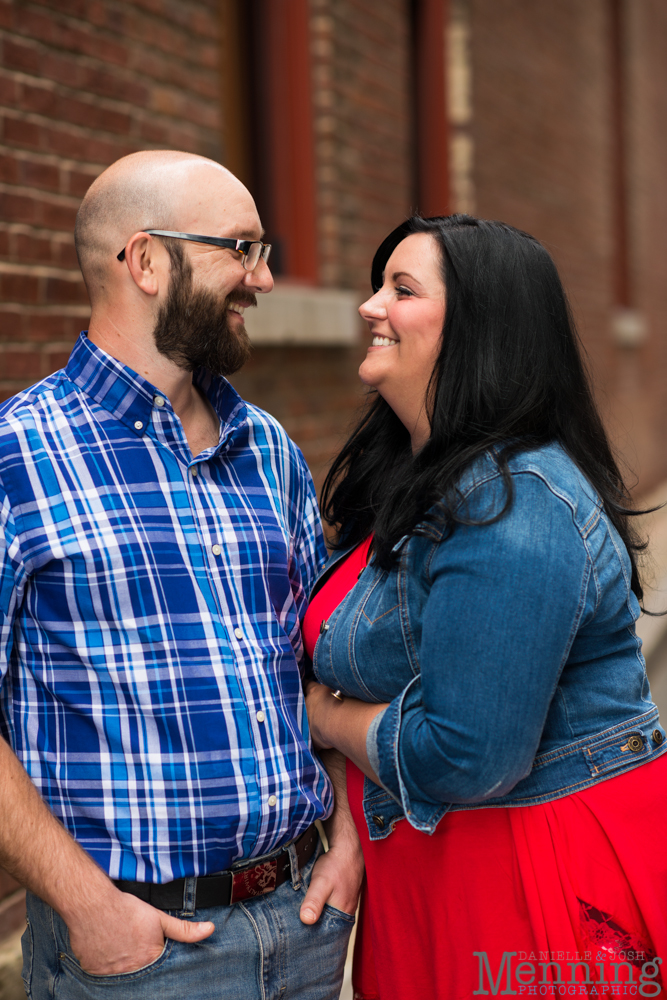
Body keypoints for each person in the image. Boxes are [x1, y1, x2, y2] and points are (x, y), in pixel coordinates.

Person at [0, 150, 363, 1000]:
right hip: (141, 953)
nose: (265, 278)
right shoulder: (16, 457)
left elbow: (321, 669)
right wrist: (88, 908)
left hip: (309, 925)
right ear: (147, 260)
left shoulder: (268, 450)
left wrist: (348, 840)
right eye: (240, 248)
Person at [303, 214, 667, 1000]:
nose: (369, 306)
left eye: (400, 290)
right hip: (425, 863)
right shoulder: (413, 474)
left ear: (477, 328)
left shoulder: (513, 504)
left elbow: (468, 755)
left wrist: (324, 719)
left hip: (527, 874)